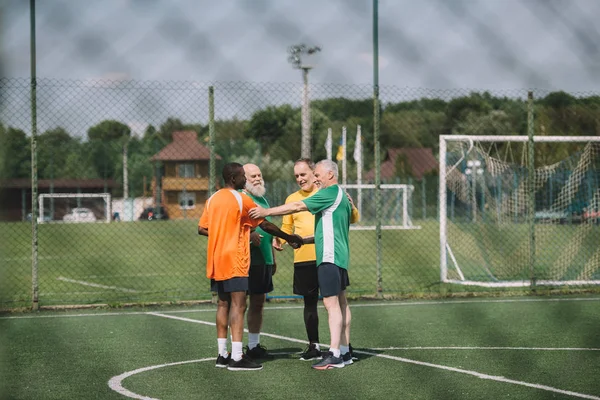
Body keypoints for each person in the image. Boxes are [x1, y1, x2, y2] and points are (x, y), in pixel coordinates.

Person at [198, 162, 303, 371]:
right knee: (239, 305)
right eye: (243, 177)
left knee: (223, 304)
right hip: (235, 258)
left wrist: (222, 233)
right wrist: (288, 236)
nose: (246, 181)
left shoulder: (212, 200)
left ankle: (222, 355)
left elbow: (202, 228)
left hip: (217, 257)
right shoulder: (241, 198)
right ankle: (237, 357)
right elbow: (264, 224)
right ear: (234, 179)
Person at [250, 159, 354, 370]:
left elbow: (297, 205)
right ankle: (344, 352)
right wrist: (300, 240)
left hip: (328, 257)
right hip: (340, 257)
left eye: (318, 174)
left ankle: (334, 354)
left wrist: (265, 212)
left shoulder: (328, 193)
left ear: (330, 175)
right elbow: (327, 232)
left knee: (331, 304)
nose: (315, 178)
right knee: (341, 303)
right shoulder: (343, 197)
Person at [241, 163, 276, 360]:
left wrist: (273, 257)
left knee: (258, 303)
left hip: (264, 260)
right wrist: (249, 235)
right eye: (253, 176)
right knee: (238, 305)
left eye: (259, 175)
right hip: (244, 260)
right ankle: (235, 347)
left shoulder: (262, 199)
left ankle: (253, 346)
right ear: (243, 178)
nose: (257, 178)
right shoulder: (240, 198)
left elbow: (268, 229)